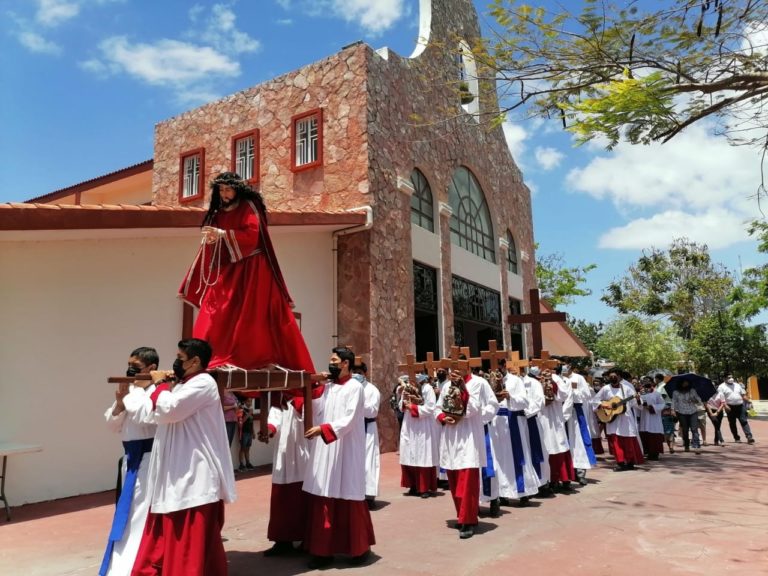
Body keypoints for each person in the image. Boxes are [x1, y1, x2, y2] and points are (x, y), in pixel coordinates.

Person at [179, 172, 314, 373]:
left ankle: (248, 358)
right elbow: (218, 242)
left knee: (251, 314)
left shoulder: (249, 206)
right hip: (229, 268)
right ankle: (210, 356)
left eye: (228, 189)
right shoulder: (218, 213)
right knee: (215, 311)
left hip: (252, 267)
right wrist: (212, 239)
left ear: (237, 190)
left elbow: (251, 236)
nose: (224, 194)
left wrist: (223, 234)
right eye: (221, 190)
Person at [131, 338, 236, 576]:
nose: (175, 362)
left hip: (194, 472)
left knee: (189, 541)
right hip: (175, 471)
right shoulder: (183, 385)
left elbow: (170, 410)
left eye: (180, 358)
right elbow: (156, 414)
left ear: (195, 361)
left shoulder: (203, 383)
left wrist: (160, 385)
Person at [302, 347, 375, 569]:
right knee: (324, 494)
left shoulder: (355, 388)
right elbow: (316, 408)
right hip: (326, 450)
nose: (331, 363)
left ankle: (357, 549)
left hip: (346, 448)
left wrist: (323, 429)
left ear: (345, 363)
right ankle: (322, 552)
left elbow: (350, 419)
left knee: (348, 495)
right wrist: (312, 386)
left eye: (334, 360)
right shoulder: (328, 387)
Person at [100, 347, 159, 576]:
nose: (130, 371)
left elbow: (145, 418)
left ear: (151, 368)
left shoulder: (157, 391)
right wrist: (119, 404)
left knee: (140, 514)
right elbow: (112, 425)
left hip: (149, 460)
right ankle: (120, 564)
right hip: (130, 460)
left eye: (136, 367)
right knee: (126, 514)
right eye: (129, 365)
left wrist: (132, 396)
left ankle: (137, 564)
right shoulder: (131, 392)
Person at [436, 359, 498, 539]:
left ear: (468, 367)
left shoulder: (479, 383)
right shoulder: (446, 385)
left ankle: (468, 520)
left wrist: (479, 420)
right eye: (453, 367)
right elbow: (437, 407)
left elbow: (485, 406)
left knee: (468, 480)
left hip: (469, 436)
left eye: (460, 367)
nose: (456, 371)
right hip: (451, 436)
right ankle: (462, 516)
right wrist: (442, 417)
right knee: (454, 480)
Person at [493, 359, 539, 506]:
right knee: (500, 458)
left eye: (499, 367)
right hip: (496, 423)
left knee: (518, 455)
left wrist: (510, 397)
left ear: (504, 366)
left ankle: (523, 492)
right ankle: (503, 493)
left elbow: (524, 401)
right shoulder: (488, 382)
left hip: (512, 421)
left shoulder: (515, 381)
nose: (497, 371)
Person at [594, 368, 644, 471]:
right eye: (610, 377)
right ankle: (620, 463)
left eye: (615, 376)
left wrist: (638, 399)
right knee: (616, 441)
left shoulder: (627, 388)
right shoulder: (605, 388)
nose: (612, 378)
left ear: (620, 377)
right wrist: (603, 405)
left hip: (626, 418)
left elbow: (636, 404)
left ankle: (630, 462)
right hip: (612, 418)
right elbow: (595, 400)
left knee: (628, 441)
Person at [399, 373, 439, 498]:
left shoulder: (427, 388)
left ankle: (424, 487)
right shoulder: (407, 387)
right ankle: (413, 485)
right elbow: (401, 405)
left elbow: (430, 407)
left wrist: (413, 407)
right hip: (409, 424)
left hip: (423, 425)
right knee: (409, 453)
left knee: (423, 454)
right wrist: (404, 403)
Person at [538, 367, 576, 492]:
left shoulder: (557, 379)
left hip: (554, 418)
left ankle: (562, 478)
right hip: (541, 416)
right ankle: (547, 481)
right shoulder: (534, 379)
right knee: (545, 445)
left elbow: (564, 396)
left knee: (558, 445)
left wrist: (552, 384)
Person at [353, 362, 381, 509]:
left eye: (359, 372)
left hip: (367, 429)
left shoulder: (372, 390)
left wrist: (358, 403)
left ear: (365, 374)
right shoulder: (349, 388)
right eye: (353, 372)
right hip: (352, 429)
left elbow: (372, 411)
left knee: (368, 461)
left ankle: (369, 496)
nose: (356, 375)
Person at [563, 365, 597, 485]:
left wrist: (574, 390)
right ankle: (567, 474)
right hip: (560, 414)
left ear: (570, 367)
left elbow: (587, 395)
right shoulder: (557, 378)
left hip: (575, 415)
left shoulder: (578, 378)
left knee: (578, 443)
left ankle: (580, 473)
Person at [718, 375, 756, 444]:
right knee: (732, 423)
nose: (731, 379)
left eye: (731, 377)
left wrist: (749, 401)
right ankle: (736, 438)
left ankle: (749, 437)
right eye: (729, 377)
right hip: (730, 407)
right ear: (724, 379)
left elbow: (743, 395)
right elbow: (721, 398)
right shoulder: (721, 387)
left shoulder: (737, 385)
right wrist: (725, 406)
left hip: (740, 406)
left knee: (744, 421)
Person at [671, 380, 703, 454]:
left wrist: (694, 400)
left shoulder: (692, 390)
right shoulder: (676, 392)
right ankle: (686, 445)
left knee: (694, 429)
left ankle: (697, 446)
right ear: (680, 383)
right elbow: (673, 401)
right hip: (681, 412)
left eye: (687, 383)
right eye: (684, 382)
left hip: (693, 412)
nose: (686, 384)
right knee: (685, 430)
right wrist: (672, 410)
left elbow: (699, 399)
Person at [637, 378, 666, 460]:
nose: (646, 385)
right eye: (644, 383)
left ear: (652, 384)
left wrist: (651, 407)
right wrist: (639, 401)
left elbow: (662, 404)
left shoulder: (657, 394)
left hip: (654, 419)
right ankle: (648, 453)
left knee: (654, 436)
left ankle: (655, 454)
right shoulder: (641, 394)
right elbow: (638, 406)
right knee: (645, 435)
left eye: (648, 383)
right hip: (644, 417)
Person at [220, 386, 239, 473]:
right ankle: (223, 469)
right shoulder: (221, 393)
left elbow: (236, 406)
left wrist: (237, 407)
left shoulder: (232, 393)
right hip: (226, 421)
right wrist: (232, 406)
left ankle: (227, 469)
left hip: (233, 420)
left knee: (229, 444)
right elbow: (221, 408)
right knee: (225, 445)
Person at [237, 397, 255, 471]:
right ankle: (241, 465)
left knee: (247, 448)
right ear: (244, 402)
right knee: (242, 448)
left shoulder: (250, 410)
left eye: (251, 401)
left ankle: (248, 463)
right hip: (243, 432)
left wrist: (253, 432)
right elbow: (240, 423)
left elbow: (252, 422)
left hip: (249, 432)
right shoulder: (241, 410)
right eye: (248, 401)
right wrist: (249, 414)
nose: (249, 403)